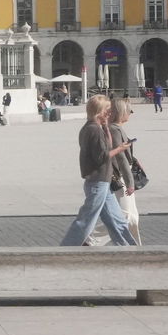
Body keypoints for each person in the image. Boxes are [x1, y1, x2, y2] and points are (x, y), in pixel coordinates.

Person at [60, 94, 137, 246]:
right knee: (86, 219)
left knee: (117, 220)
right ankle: (66, 248)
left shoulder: (94, 127)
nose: (110, 113)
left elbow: (105, 147)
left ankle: (128, 248)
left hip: (103, 181)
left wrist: (106, 128)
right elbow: (101, 156)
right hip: (98, 181)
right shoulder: (93, 130)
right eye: (107, 110)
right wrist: (120, 148)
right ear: (99, 111)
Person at [88, 98, 141, 246]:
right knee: (125, 215)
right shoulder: (114, 129)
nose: (130, 114)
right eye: (129, 111)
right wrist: (130, 183)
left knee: (133, 217)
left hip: (124, 174)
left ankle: (134, 248)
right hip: (120, 176)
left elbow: (126, 154)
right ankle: (91, 238)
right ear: (121, 112)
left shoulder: (117, 128)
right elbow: (121, 157)